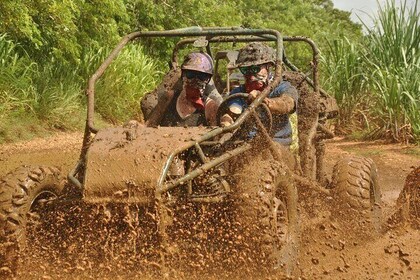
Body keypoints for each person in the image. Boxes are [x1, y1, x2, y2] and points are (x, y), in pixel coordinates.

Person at [220, 42, 298, 146]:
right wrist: (226, 123)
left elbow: (287, 104)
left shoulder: (282, 87)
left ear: (269, 67)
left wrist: (264, 100)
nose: (251, 76)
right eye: (245, 70)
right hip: (246, 144)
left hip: (278, 143)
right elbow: (232, 111)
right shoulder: (239, 92)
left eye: (255, 69)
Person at [143, 52, 222, 127]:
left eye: (201, 76)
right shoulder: (169, 98)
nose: (195, 80)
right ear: (183, 75)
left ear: (207, 80)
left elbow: (217, 137)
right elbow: (149, 125)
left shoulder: (210, 107)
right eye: (190, 74)